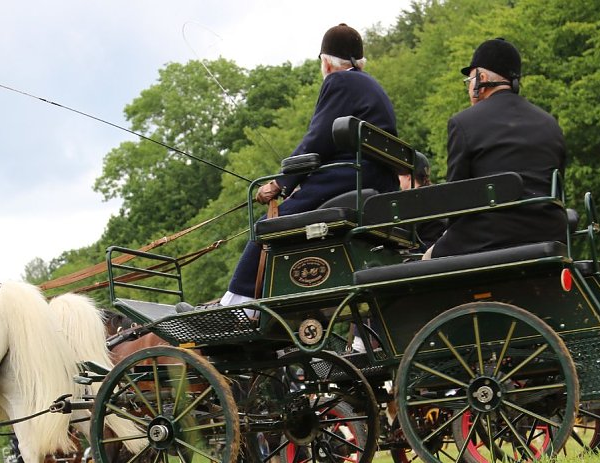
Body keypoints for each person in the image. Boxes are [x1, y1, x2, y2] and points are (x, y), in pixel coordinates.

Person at [214, 23, 398, 308]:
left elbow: (317, 139)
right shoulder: (371, 85)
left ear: (325, 62)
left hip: (348, 177)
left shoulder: (339, 82)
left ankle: (237, 305)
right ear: (360, 61)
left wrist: (280, 183)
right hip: (373, 180)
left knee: (269, 225)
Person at [426, 38, 568, 259]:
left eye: (469, 79)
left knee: (426, 260)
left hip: (487, 242)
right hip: (550, 238)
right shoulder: (550, 124)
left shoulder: (463, 123)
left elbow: (454, 201)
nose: (469, 87)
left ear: (481, 79)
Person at [398, 151, 445, 252]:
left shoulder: (410, 201)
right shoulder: (436, 195)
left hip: (420, 255)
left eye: (400, 175)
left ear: (408, 176)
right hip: (441, 250)